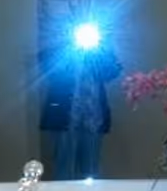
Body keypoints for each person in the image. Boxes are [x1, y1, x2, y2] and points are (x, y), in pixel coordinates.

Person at [39, 19, 121, 181]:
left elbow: (112, 72)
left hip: (93, 119)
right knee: (63, 170)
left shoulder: (98, 54)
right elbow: (46, 66)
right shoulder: (60, 51)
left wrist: (102, 50)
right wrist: (67, 47)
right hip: (64, 119)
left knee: (90, 172)